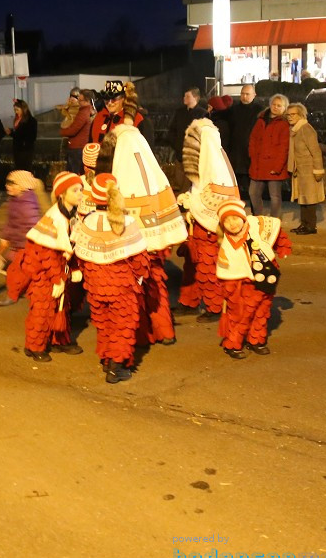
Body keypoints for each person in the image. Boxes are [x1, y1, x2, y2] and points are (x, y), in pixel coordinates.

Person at [108, 122, 188, 347]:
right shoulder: (154, 169)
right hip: (156, 240)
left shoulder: (121, 167)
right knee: (156, 283)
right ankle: (165, 332)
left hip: (134, 243)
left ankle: (141, 334)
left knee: (134, 289)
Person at [73, 173, 150, 384]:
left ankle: (107, 358)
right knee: (122, 324)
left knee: (104, 322)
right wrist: (139, 280)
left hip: (96, 285)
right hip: (122, 285)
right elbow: (140, 260)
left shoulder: (87, 221)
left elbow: (80, 256)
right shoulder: (126, 222)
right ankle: (116, 367)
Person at [5, 172, 85, 362]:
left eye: (81, 189)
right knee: (43, 310)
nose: (81, 194)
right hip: (43, 273)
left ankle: (59, 340)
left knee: (61, 307)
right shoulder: (54, 218)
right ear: (62, 194)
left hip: (59, 271)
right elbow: (47, 254)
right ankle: (34, 346)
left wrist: (72, 270)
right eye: (75, 190)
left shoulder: (72, 215)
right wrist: (57, 279)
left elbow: (70, 247)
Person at [175, 118, 238, 323]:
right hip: (197, 227)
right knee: (192, 265)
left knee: (208, 265)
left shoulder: (216, 167)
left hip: (209, 228)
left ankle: (214, 305)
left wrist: (190, 203)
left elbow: (212, 198)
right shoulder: (210, 164)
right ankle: (189, 301)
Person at [215, 200, 291, 358]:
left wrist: (283, 246)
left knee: (262, 311)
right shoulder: (228, 246)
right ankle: (232, 343)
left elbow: (276, 231)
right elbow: (228, 274)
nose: (232, 224)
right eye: (227, 222)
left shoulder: (256, 225)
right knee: (244, 314)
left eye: (235, 218)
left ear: (243, 217)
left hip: (267, 277)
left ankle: (256, 340)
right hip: (247, 284)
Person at [0, 170, 46, 306]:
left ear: (22, 186)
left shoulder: (27, 204)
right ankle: (28, 291)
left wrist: (8, 240)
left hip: (25, 245)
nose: (7, 186)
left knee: (14, 271)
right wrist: (5, 239)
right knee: (20, 270)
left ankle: (13, 295)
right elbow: (11, 223)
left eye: (12, 184)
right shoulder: (16, 201)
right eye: (7, 183)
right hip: (19, 244)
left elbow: (29, 226)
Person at [248, 94, 291, 218]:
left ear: (284, 108)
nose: (275, 107)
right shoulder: (261, 120)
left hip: (274, 164)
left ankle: (274, 220)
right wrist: (252, 155)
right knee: (253, 193)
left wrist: (278, 167)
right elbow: (253, 139)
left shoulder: (284, 124)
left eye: (279, 105)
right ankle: (258, 218)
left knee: (275, 196)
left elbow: (284, 147)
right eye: (274, 104)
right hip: (258, 163)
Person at [285, 102, 325, 234]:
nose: (290, 117)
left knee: (310, 198)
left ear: (300, 114)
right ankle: (304, 224)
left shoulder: (306, 129)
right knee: (303, 198)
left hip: (309, 170)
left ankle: (311, 226)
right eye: (288, 115)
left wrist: (318, 170)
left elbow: (316, 151)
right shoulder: (295, 130)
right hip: (300, 171)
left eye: (293, 114)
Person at [168, 88, 207, 192]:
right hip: (180, 154)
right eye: (184, 96)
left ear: (195, 98)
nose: (184, 98)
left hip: (194, 156)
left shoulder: (202, 114)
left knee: (191, 184)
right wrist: (176, 145)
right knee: (180, 180)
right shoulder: (179, 112)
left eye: (187, 96)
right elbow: (172, 130)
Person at [229, 84, 262, 201]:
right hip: (236, 151)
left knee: (251, 183)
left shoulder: (260, 111)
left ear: (254, 95)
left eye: (247, 94)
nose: (244, 96)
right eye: (242, 94)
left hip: (251, 151)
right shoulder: (233, 110)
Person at [59, 89, 92, 174]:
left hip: (78, 148)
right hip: (76, 147)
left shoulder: (83, 112)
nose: (78, 102)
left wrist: (63, 132)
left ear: (87, 101)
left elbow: (73, 130)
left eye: (80, 100)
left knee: (75, 173)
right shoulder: (82, 111)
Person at [7, 98, 38, 172]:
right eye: (15, 110)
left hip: (25, 150)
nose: (16, 112)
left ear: (23, 109)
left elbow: (27, 135)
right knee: (18, 169)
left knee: (26, 169)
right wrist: (11, 132)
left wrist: (11, 133)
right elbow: (18, 134)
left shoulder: (31, 121)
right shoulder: (18, 119)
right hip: (17, 149)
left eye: (17, 110)